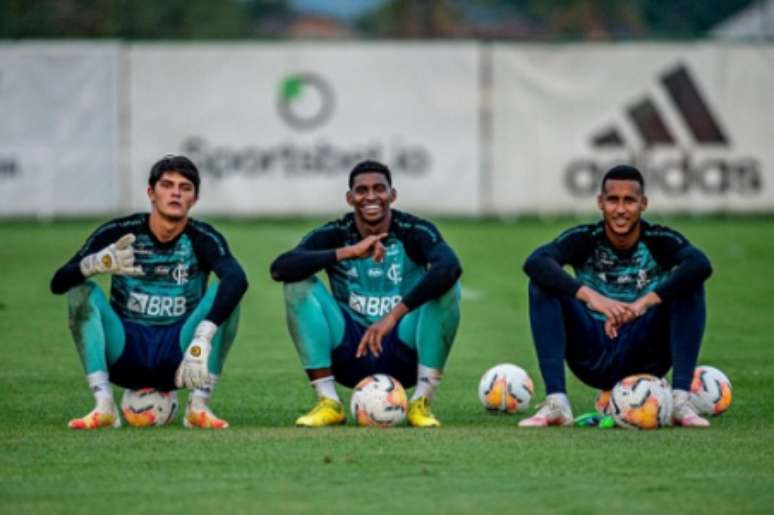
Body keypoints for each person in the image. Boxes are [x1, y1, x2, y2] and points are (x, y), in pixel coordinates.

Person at [50, 155, 248, 430]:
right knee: (81, 290)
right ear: (151, 193)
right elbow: (58, 282)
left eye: (185, 187)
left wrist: (203, 336)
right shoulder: (120, 232)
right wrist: (93, 264)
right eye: (167, 185)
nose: (176, 192)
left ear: (195, 199)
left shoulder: (203, 237)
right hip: (124, 350)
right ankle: (104, 405)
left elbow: (237, 278)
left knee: (228, 293)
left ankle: (199, 405)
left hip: (180, 354)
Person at [270, 160, 462, 428]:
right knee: (296, 284)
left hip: (402, 349)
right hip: (350, 351)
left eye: (379, 189)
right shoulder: (337, 233)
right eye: (361, 190)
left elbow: (450, 267)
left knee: (449, 287)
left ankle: (421, 402)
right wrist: (348, 252)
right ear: (350, 198)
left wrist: (393, 316)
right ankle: (329, 402)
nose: (371, 196)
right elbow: (280, 268)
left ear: (392, 195)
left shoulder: (414, 230)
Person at [520, 164, 713, 428]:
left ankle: (680, 401)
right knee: (541, 284)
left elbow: (700, 264)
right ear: (600, 202)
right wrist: (592, 297)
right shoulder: (585, 238)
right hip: (592, 350)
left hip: (643, 353)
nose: (620, 210)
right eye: (613, 200)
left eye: (629, 201)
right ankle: (557, 403)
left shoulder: (658, 239)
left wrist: (643, 304)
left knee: (690, 284)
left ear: (643, 203)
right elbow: (535, 262)